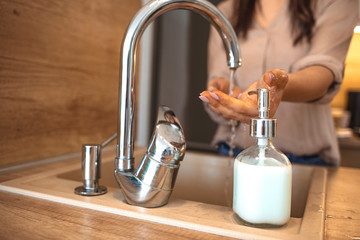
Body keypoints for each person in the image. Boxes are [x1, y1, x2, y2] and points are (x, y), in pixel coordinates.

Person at [199, 0, 358, 166]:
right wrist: (222, 95)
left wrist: (278, 87)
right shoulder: (227, 11)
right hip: (233, 153)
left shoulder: (334, 3)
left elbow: (322, 73)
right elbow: (222, 77)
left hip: (307, 160)